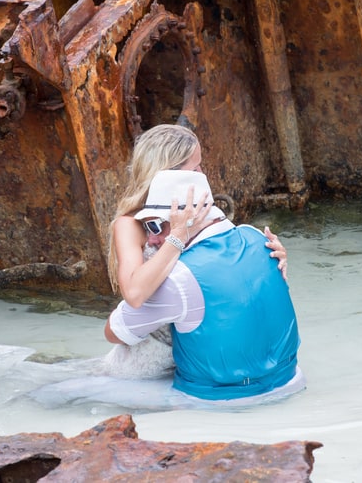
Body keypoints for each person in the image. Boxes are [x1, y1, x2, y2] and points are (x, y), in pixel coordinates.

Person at [105, 170, 304, 401]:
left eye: (155, 226)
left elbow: (114, 333)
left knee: (78, 392)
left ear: (186, 220)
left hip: (220, 401)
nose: (151, 239)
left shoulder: (179, 277)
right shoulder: (259, 238)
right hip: (290, 381)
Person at [107, 124, 288, 310]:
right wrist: (178, 236)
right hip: (154, 328)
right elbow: (134, 296)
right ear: (169, 175)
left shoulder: (195, 209)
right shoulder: (129, 224)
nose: (202, 174)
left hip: (202, 326)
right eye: (194, 170)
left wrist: (269, 257)